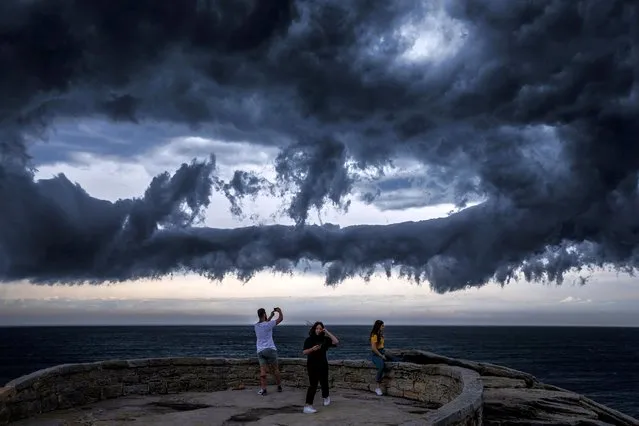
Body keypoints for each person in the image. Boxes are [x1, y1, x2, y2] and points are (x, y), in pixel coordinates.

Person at [302, 321, 339, 414]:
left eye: (320, 328)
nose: (318, 330)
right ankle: (307, 406)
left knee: (324, 382)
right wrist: (312, 349)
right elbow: (304, 352)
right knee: (313, 385)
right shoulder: (309, 340)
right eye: (317, 328)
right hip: (312, 364)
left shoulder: (325, 339)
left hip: (323, 364)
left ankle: (326, 396)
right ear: (314, 329)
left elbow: (336, 341)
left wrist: (327, 331)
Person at [254, 306, 284, 395]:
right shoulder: (269, 324)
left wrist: (270, 316)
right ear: (264, 314)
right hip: (270, 350)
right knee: (275, 369)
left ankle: (263, 389)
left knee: (263, 371)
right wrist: (279, 311)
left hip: (260, 351)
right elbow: (280, 319)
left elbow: (264, 323)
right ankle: (279, 386)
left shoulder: (256, 326)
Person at [370, 319, 390, 396]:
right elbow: (374, 349)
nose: (383, 327)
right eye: (382, 325)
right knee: (381, 366)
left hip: (383, 351)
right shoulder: (374, 335)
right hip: (376, 354)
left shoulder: (380, 334)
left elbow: (382, 346)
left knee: (395, 358)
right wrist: (381, 356)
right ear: (378, 326)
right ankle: (377, 388)